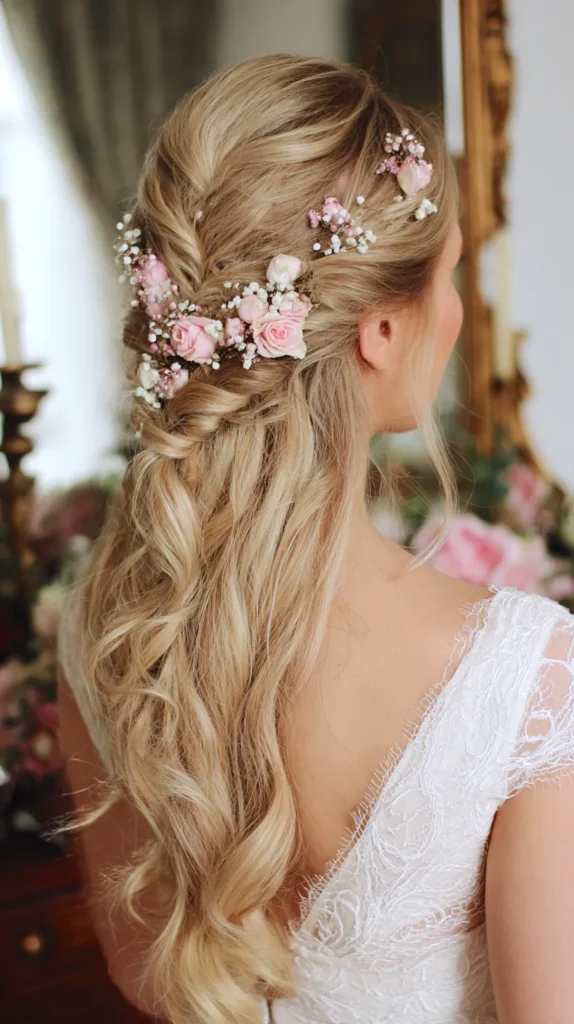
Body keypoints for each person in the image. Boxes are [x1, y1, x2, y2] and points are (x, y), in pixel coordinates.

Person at [56, 55, 574, 1024]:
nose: (454, 310)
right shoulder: (525, 681)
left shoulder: (109, 630)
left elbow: (143, 973)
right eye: (449, 274)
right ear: (379, 327)